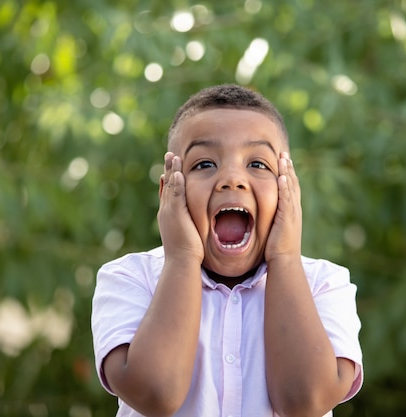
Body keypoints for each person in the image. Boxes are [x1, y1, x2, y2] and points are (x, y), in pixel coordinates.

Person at [91, 84, 363, 417]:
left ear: (288, 187)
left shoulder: (325, 283)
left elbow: (304, 401)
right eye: (204, 164)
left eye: (258, 165)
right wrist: (181, 258)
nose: (231, 179)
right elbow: (155, 393)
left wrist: (285, 258)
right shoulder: (129, 278)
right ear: (169, 191)